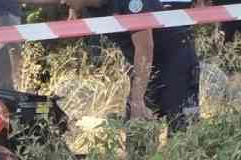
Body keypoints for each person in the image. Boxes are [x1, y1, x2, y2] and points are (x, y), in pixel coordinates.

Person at [64, 0, 200, 133]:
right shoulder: (86, 4)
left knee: (182, 132)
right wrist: (73, 9)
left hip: (175, 58)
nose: (62, 2)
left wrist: (137, 100)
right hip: (144, 67)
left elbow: (144, 48)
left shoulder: (131, 3)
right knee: (137, 133)